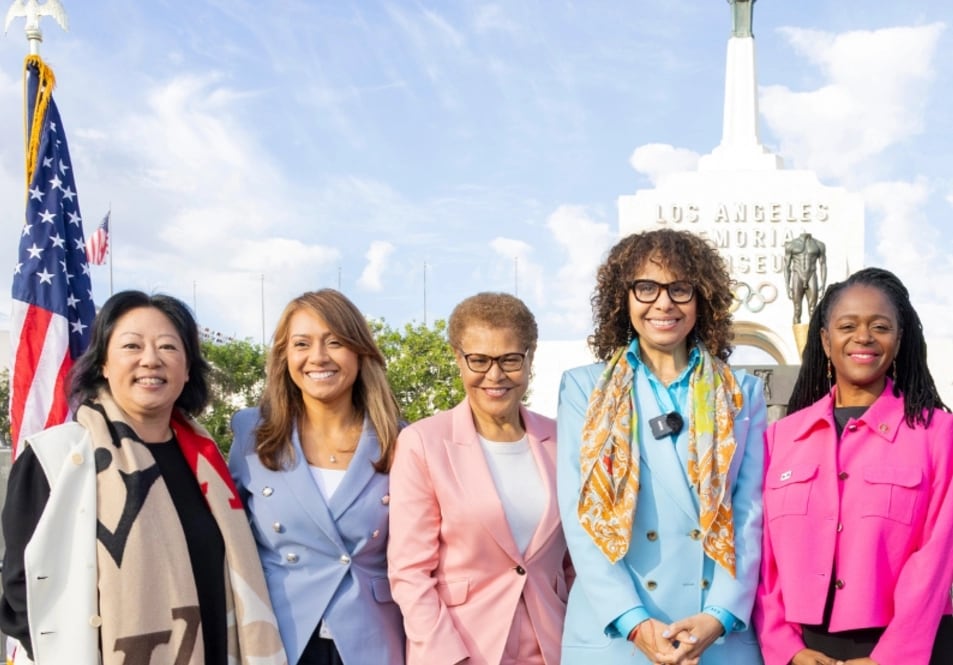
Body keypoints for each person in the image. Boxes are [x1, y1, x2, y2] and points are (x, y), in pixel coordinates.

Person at [0, 290, 285, 665]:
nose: (150, 360)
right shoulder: (58, 458)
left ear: (187, 370)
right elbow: (24, 591)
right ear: (103, 363)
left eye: (168, 347)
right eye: (131, 346)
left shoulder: (209, 464)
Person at [557, 228, 766, 664]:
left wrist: (720, 614)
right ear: (624, 297)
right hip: (618, 636)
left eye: (680, 288)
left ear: (702, 298)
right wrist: (633, 620)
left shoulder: (744, 392)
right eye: (646, 287)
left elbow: (749, 514)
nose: (663, 303)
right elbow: (581, 518)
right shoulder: (584, 388)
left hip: (716, 637)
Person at [754, 267, 953, 665]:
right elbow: (764, 560)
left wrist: (891, 657)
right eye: (848, 325)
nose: (863, 337)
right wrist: (787, 650)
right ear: (826, 340)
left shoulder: (939, 433)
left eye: (880, 326)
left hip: (911, 647)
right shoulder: (781, 438)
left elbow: (937, 560)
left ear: (899, 340)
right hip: (805, 650)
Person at [388, 292, 571, 665]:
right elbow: (409, 572)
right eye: (479, 360)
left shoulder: (564, 440)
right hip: (460, 648)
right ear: (458, 358)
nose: (495, 374)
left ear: (530, 358)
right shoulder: (423, 443)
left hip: (553, 646)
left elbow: (573, 560)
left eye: (509, 359)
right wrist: (448, 657)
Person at [229, 289, 405, 665]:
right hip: (281, 635)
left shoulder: (402, 440)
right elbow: (229, 537)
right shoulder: (251, 431)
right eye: (302, 344)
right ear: (284, 356)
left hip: (373, 640)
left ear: (360, 352)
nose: (318, 357)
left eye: (335, 342)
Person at [784, 231, 827, 324]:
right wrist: (787, 285)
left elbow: (823, 264)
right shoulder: (791, 245)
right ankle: (797, 337)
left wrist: (823, 284)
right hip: (797, 275)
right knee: (797, 309)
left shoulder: (819, 245)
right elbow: (787, 267)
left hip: (811, 275)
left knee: (813, 310)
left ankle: (812, 337)